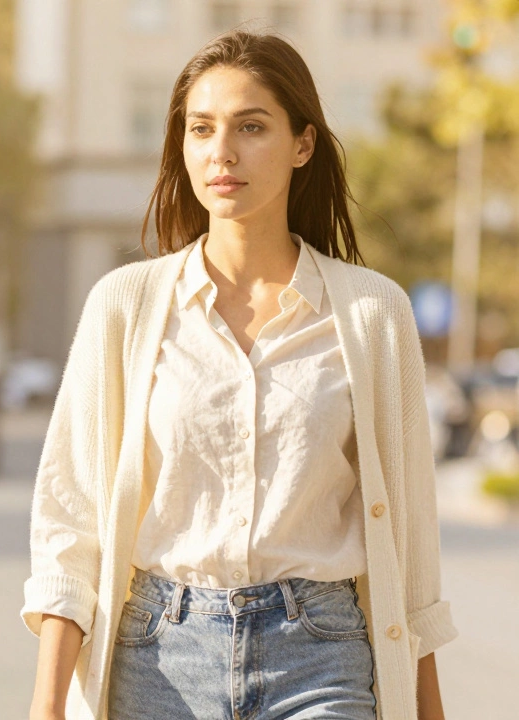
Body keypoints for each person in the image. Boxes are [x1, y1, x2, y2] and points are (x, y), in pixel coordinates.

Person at [23, 31, 457, 720]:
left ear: (303, 145)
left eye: (251, 127)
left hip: (321, 652)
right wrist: (45, 707)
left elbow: (409, 539)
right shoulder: (125, 305)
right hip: (159, 653)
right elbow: (69, 525)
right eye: (202, 129)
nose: (222, 151)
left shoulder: (374, 313)